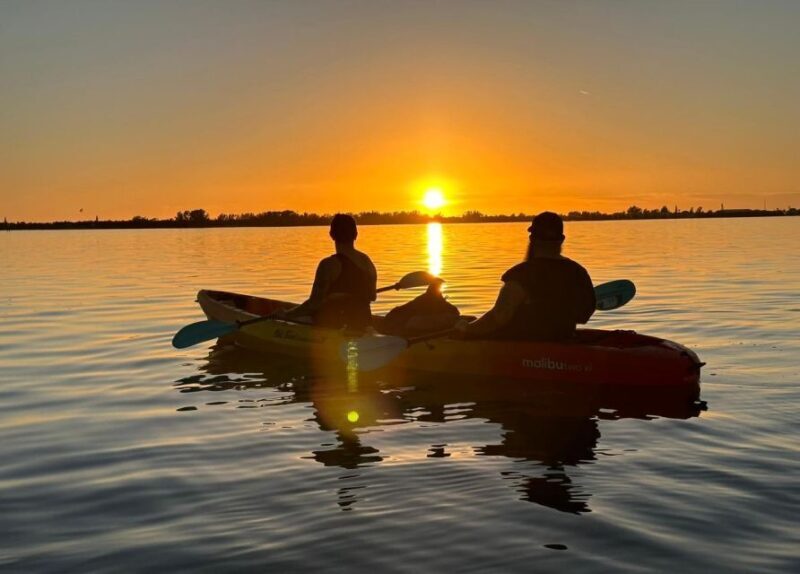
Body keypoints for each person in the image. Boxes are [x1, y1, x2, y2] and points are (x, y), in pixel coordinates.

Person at [456, 211, 595, 340]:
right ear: (562, 239)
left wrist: (467, 328)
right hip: (563, 343)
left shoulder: (521, 275)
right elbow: (584, 315)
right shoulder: (578, 272)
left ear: (532, 238)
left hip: (523, 349)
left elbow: (498, 317)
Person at [279, 214, 377, 330]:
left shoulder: (328, 265)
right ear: (356, 235)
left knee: (288, 319)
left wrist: (286, 314)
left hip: (333, 327)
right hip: (364, 324)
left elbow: (313, 304)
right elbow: (372, 296)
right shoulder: (367, 262)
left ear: (331, 235)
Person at [381, 279, 461, 336]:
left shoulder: (432, 300)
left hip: (419, 323)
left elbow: (454, 311)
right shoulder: (424, 300)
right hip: (414, 322)